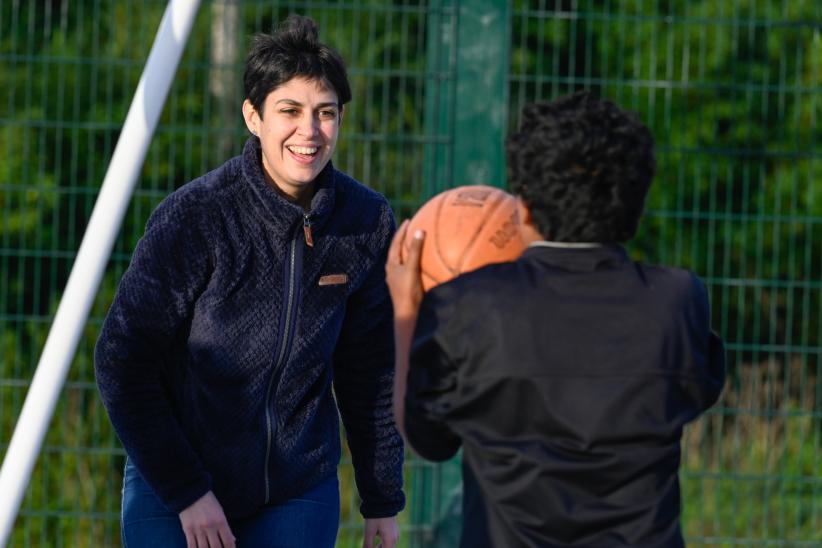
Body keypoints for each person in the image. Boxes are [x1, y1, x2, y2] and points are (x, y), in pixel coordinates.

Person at [95, 15, 404, 548]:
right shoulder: (194, 216)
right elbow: (122, 360)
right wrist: (187, 492)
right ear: (253, 116)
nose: (309, 131)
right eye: (290, 111)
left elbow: (370, 372)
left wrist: (382, 499)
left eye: (325, 113)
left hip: (297, 488)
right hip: (175, 484)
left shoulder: (367, 221)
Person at [386, 90, 725, 547]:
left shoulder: (466, 306)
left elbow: (428, 440)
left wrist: (406, 310)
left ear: (522, 207)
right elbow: (695, 392)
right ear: (634, 205)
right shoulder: (678, 300)